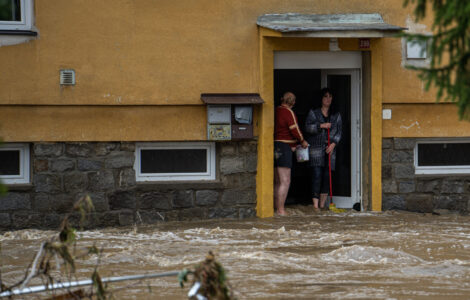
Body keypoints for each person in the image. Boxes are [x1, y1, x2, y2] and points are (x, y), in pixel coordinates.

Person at [305, 88, 342, 211]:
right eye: (325, 96)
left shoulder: (336, 115)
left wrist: (333, 144)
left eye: (330, 96)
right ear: (321, 99)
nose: (328, 99)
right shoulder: (314, 113)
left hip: (330, 150)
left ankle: (322, 205)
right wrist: (321, 126)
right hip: (316, 150)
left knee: (327, 176)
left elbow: (339, 132)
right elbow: (307, 128)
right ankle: (315, 206)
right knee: (317, 175)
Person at [274, 92, 309, 216]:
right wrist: (302, 141)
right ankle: (281, 210)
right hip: (285, 147)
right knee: (285, 180)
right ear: (293, 102)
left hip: (276, 146)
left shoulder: (276, 110)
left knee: (278, 181)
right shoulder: (288, 112)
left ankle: (276, 208)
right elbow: (294, 129)